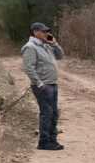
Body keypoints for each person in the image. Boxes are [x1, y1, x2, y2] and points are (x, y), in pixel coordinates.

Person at [21, 22, 65, 150]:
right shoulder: (30, 47)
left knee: (54, 113)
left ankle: (52, 140)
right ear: (35, 32)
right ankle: (44, 142)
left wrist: (54, 43)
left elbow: (60, 56)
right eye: (43, 31)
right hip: (43, 86)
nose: (46, 33)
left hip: (52, 84)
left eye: (47, 31)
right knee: (47, 113)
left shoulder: (46, 45)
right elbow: (29, 68)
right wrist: (40, 84)